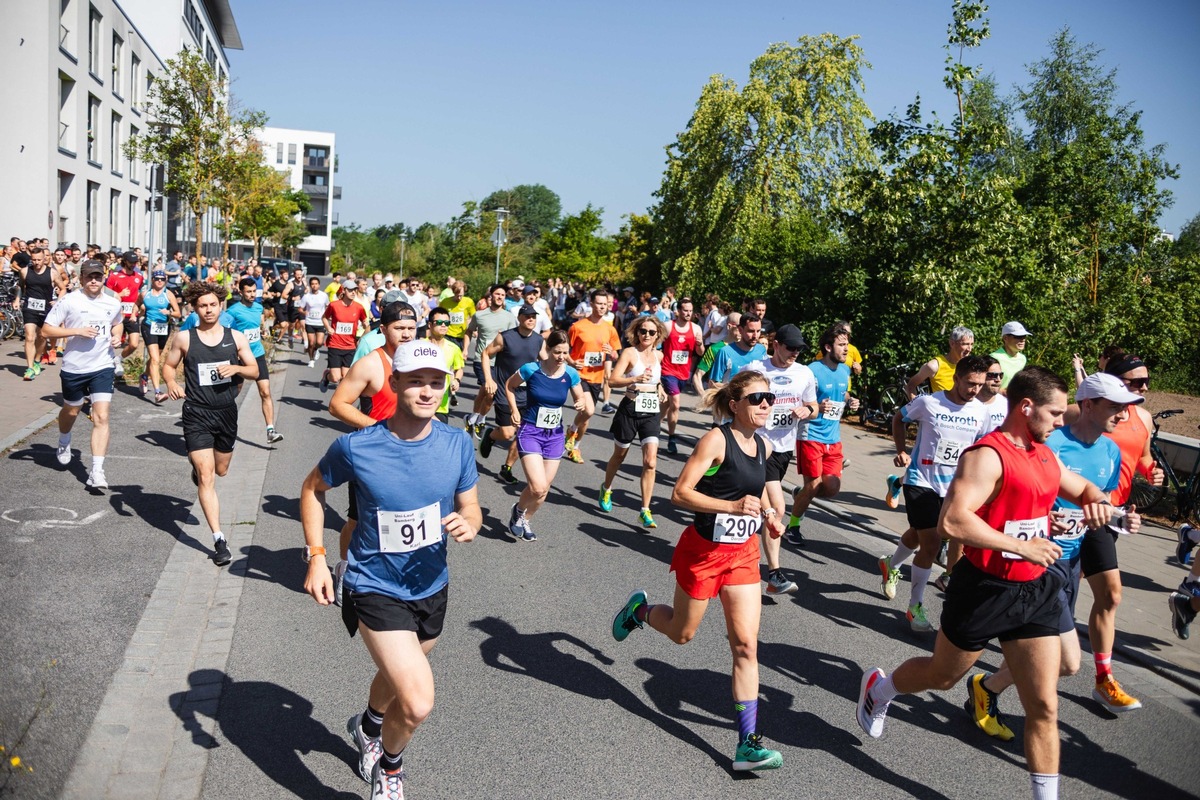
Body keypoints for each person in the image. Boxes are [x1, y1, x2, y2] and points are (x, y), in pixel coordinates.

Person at [857, 367, 1119, 800]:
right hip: (984, 588)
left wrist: (1100, 504)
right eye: (1055, 413)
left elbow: (1083, 489)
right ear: (1026, 407)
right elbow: (952, 521)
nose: (1061, 421)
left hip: (1035, 590)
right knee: (942, 676)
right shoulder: (987, 455)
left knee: (1044, 706)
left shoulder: (1045, 453)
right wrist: (1024, 545)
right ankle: (880, 689)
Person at [300, 340, 480, 799]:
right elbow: (311, 489)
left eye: (435, 383)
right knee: (417, 700)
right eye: (416, 381)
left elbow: (472, 505)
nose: (426, 391)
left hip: (431, 583)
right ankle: (391, 767)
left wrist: (470, 522)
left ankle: (367, 725)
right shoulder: (358, 448)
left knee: (405, 669)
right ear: (394, 383)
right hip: (373, 584)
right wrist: (318, 557)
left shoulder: (457, 443)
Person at [611, 369, 785, 773]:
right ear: (736, 403)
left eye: (769, 399)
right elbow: (680, 493)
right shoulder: (715, 440)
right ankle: (639, 612)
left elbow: (757, 491)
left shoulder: (763, 445)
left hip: (743, 555)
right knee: (681, 634)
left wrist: (772, 517)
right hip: (703, 553)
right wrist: (732, 507)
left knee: (746, 646)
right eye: (757, 398)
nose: (765, 405)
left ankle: (747, 744)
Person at [967, 372, 1140, 740]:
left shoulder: (1110, 450)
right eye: (1115, 407)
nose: (1123, 416)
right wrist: (1045, 523)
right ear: (1089, 404)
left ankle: (989, 687)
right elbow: (1005, 500)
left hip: (1070, 559)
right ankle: (1007, 698)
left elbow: (1099, 499)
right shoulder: (1048, 440)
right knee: (1054, 663)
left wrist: (1120, 515)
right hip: (1033, 562)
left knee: (1066, 661)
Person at [1073, 353, 1163, 712]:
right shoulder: (1080, 411)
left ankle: (1103, 678)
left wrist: (1151, 470)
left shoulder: (1142, 417)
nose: (1143, 388)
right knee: (1055, 591)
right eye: (1135, 381)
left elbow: (1141, 456)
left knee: (1110, 595)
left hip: (1108, 516)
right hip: (1066, 513)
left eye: (1145, 381)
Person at [877, 355, 990, 632]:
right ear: (956, 378)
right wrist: (901, 451)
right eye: (970, 383)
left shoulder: (980, 412)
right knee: (931, 543)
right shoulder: (929, 403)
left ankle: (891, 564)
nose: (974, 390)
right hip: (921, 481)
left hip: (953, 487)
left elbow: (983, 446)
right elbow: (899, 418)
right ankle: (915, 606)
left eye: (979, 385)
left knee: (918, 534)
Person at [328, 303, 420, 605]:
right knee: (359, 520)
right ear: (383, 330)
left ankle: (392, 578)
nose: (406, 334)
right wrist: (378, 429)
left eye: (411, 327)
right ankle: (345, 568)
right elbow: (338, 404)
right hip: (374, 456)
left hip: (413, 456)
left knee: (409, 518)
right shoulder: (371, 363)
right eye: (399, 328)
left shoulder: (422, 360)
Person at [162, 282, 259, 566]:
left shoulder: (236, 337)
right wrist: (171, 382)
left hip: (226, 412)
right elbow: (169, 366)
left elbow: (254, 369)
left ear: (221, 306)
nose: (207, 310)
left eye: (212, 305)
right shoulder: (184, 338)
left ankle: (203, 471)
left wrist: (237, 368)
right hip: (196, 413)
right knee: (207, 477)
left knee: (221, 470)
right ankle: (219, 540)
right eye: (202, 306)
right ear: (195, 308)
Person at [743, 324, 818, 595]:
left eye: (799, 349)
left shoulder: (804, 372)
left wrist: (807, 410)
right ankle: (774, 573)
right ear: (776, 344)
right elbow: (737, 398)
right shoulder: (757, 369)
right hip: (757, 446)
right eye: (790, 348)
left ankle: (741, 556)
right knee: (776, 507)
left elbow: (815, 405)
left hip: (784, 449)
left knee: (761, 510)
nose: (795, 353)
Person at [39, 259, 124, 489]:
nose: (94, 280)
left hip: (103, 366)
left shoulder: (112, 302)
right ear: (82, 278)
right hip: (74, 367)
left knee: (102, 417)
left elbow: (118, 323)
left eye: (98, 276)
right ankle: (64, 438)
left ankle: (97, 471)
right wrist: (77, 331)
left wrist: (117, 336)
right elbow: (46, 330)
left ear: (103, 277)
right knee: (72, 409)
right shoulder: (70, 301)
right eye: (89, 276)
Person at [503, 330, 584, 541]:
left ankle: (525, 518)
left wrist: (581, 402)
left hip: (555, 435)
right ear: (547, 349)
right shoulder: (531, 369)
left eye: (565, 353)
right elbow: (509, 386)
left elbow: (580, 395)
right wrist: (514, 410)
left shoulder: (570, 374)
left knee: (543, 490)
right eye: (557, 352)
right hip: (530, 431)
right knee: (537, 487)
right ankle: (518, 510)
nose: (561, 357)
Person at [786, 323, 860, 544]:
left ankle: (801, 494)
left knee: (832, 489)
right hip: (811, 435)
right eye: (841, 345)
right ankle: (793, 527)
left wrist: (850, 399)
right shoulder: (811, 370)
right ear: (828, 347)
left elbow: (841, 391)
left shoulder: (845, 370)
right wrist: (817, 405)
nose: (846, 349)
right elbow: (799, 400)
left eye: (847, 345)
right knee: (814, 484)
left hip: (833, 438)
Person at [598, 316, 668, 528]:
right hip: (629, 410)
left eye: (651, 332)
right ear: (636, 332)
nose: (646, 335)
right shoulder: (630, 353)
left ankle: (645, 510)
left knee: (651, 461)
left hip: (651, 412)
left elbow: (656, 380)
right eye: (643, 331)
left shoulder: (659, 355)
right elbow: (612, 380)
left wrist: (661, 389)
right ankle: (606, 488)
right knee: (619, 455)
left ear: (658, 335)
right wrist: (634, 380)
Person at [479, 304, 545, 485]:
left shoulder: (539, 340)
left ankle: (506, 469)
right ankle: (492, 435)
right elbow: (486, 354)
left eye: (534, 316)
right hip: (504, 390)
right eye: (527, 316)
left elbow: (547, 362)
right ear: (520, 318)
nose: (531, 319)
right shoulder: (506, 337)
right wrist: (489, 379)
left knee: (524, 434)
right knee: (508, 434)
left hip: (528, 394)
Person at [563, 289, 621, 464]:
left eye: (605, 304)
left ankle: (575, 447)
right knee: (588, 410)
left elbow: (616, 355)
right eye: (599, 304)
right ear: (591, 304)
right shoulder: (578, 327)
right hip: (579, 375)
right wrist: (572, 363)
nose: (602, 307)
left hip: (597, 377)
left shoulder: (610, 329)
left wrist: (611, 352)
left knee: (586, 418)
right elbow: (563, 351)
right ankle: (572, 430)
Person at [225, 277, 284, 443]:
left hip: (257, 354)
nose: (252, 295)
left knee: (265, 391)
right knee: (234, 392)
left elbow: (258, 325)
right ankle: (220, 418)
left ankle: (270, 430)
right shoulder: (233, 311)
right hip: (239, 356)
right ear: (241, 291)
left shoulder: (258, 307)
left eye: (254, 292)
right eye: (248, 292)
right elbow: (226, 331)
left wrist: (262, 331)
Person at [463, 284, 517, 438]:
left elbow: (512, 339)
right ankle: (480, 419)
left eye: (503, 295)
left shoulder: (509, 317)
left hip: (499, 362)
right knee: (490, 391)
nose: (500, 297)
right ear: (490, 296)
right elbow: (469, 331)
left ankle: (473, 418)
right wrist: (465, 349)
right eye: (497, 294)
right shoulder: (480, 315)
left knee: (485, 391)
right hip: (482, 359)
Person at [659, 297, 704, 455]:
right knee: (676, 403)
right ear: (678, 311)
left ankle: (654, 426)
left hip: (684, 373)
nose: (688, 313)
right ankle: (672, 437)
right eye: (685, 310)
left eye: (690, 311)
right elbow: (657, 345)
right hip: (667, 370)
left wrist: (699, 344)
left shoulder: (696, 329)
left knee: (666, 405)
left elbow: (700, 353)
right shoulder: (668, 326)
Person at [17, 248, 68, 379]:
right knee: (29, 336)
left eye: (39, 259)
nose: (36, 262)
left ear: (44, 259)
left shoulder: (52, 273)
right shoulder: (24, 271)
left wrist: (57, 302)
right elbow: (20, 287)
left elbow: (63, 289)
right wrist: (17, 299)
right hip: (29, 307)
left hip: (45, 308)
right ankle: (29, 368)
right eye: (34, 260)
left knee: (42, 337)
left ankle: (37, 361)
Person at [135, 269, 181, 402]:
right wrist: (134, 314)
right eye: (157, 279)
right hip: (149, 326)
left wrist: (169, 313)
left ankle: (144, 376)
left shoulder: (169, 294)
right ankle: (157, 392)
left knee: (156, 357)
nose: (159, 281)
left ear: (165, 281)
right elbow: (136, 304)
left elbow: (178, 313)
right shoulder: (145, 294)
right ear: (153, 280)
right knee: (155, 360)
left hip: (163, 328)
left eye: (162, 279)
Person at [321, 280, 368, 392]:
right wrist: (328, 328)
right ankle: (327, 376)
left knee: (346, 377)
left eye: (355, 290)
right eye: (350, 290)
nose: (353, 292)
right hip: (335, 344)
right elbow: (324, 317)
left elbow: (365, 320)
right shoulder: (334, 305)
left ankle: (339, 402)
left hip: (350, 346)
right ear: (344, 290)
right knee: (335, 377)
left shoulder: (359, 307)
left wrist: (366, 324)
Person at [105, 250, 146, 377]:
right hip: (117, 315)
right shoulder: (114, 276)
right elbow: (106, 294)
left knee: (134, 343)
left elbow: (139, 293)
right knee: (112, 343)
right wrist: (120, 295)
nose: (134, 264)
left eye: (135, 262)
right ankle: (105, 369)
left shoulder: (139, 277)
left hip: (131, 315)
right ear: (125, 261)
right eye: (131, 262)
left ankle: (118, 359)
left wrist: (141, 305)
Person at [905, 326, 975, 398]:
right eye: (965, 344)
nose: (969, 349)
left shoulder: (970, 365)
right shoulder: (934, 366)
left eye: (971, 344)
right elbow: (910, 385)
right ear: (952, 343)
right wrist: (917, 407)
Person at [424, 308, 464, 423]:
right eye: (439, 323)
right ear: (430, 325)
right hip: (420, 399)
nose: (443, 326)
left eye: (446, 323)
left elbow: (459, 369)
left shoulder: (454, 348)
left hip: (441, 404)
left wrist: (456, 380)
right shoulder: (420, 346)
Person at [706, 313, 765, 386]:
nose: (755, 336)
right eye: (750, 331)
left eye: (758, 331)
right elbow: (713, 384)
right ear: (740, 330)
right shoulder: (725, 352)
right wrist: (738, 389)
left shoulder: (761, 350)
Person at [692, 311, 740, 396]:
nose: (742, 330)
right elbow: (697, 375)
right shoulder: (715, 349)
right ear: (729, 326)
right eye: (739, 327)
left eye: (744, 327)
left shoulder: (748, 348)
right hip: (723, 400)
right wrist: (704, 397)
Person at [298, 276, 329, 368]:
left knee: (319, 343)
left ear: (319, 285)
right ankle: (311, 360)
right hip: (310, 322)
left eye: (316, 284)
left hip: (320, 322)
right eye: (312, 284)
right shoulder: (306, 296)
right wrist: (304, 312)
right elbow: (300, 308)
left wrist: (327, 316)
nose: (314, 286)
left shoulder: (324, 295)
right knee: (311, 342)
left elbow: (328, 306)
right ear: (310, 285)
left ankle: (316, 349)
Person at [991, 321, 1031, 389]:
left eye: (1024, 336)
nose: (1022, 340)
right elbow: (988, 384)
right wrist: (1002, 392)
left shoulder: (1022, 358)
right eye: (1018, 336)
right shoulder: (994, 358)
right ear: (1005, 338)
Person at [443, 280, 475, 352]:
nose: (459, 298)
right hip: (447, 334)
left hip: (461, 336)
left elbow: (474, 316)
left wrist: (474, 328)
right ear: (453, 292)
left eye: (461, 295)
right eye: (457, 295)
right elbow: (439, 316)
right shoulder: (445, 302)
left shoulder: (469, 302)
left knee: (459, 360)